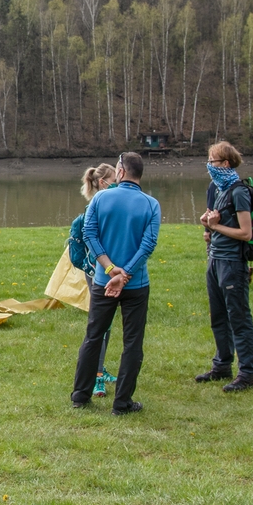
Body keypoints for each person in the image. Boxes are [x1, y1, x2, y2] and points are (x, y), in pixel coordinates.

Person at [72, 152, 160, 415]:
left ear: (120, 172)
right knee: (132, 342)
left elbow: (89, 233)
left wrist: (110, 269)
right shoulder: (151, 204)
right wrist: (126, 273)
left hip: (102, 282)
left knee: (94, 336)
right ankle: (121, 403)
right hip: (135, 284)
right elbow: (148, 244)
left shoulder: (100, 198)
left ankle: (80, 396)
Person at [196, 141, 253, 392]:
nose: (209, 166)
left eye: (212, 161)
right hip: (215, 259)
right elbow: (216, 226)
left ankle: (247, 373)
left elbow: (245, 232)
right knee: (218, 316)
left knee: (239, 318)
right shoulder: (219, 189)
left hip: (233, 262)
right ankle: (222, 365)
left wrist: (216, 227)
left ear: (225, 164)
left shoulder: (239, 191)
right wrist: (207, 228)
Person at [72, 163, 118, 398]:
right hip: (99, 272)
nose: (118, 184)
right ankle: (96, 377)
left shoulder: (107, 205)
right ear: (103, 183)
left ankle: (100, 369)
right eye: (113, 179)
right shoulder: (96, 209)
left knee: (105, 324)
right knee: (100, 323)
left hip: (105, 270)